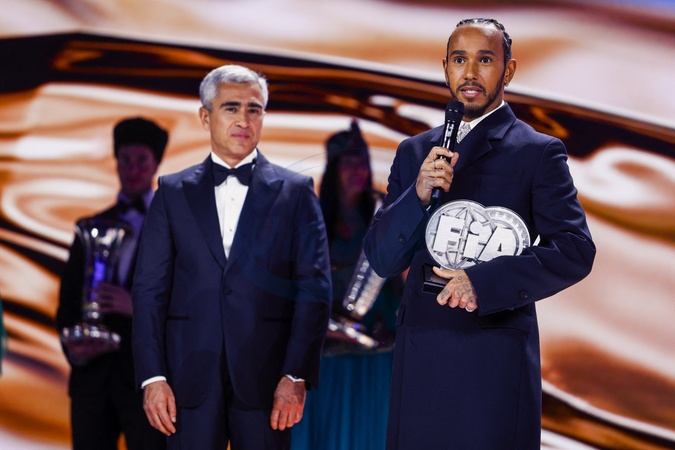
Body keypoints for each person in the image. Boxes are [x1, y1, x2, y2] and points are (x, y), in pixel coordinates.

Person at [363, 18, 596, 449]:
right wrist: (417, 195)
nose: (470, 73)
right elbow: (381, 258)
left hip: (492, 356)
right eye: (459, 60)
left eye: (485, 60)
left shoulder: (537, 152)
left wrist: (483, 282)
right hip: (422, 352)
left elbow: (575, 249)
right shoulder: (415, 152)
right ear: (445, 68)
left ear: (508, 71)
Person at [131, 64, 332, 450]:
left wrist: (296, 373)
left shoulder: (296, 192)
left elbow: (314, 290)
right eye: (231, 108)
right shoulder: (171, 193)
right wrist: (152, 377)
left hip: (268, 380)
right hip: (186, 378)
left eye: (254, 109)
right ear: (205, 116)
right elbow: (149, 291)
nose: (243, 120)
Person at [56, 117, 168, 450]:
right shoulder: (88, 226)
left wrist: (136, 307)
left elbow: (191, 302)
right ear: (115, 162)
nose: (132, 169)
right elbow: (68, 301)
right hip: (92, 381)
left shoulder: (174, 228)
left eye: (141, 160)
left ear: (156, 164)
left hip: (148, 382)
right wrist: (74, 349)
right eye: (125, 159)